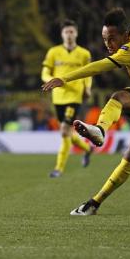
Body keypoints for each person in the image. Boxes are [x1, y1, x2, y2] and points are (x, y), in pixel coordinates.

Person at [42, 8, 130, 215]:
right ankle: (100, 130)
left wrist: (65, 78)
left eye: (112, 38)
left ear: (126, 34)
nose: (108, 44)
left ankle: (95, 203)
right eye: (105, 39)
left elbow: (100, 66)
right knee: (117, 98)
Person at [41, 19, 93, 177]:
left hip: (74, 96)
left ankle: (58, 169)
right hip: (58, 98)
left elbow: (88, 72)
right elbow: (45, 72)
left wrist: (87, 87)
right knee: (68, 132)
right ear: (62, 34)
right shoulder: (53, 52)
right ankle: (87, 149)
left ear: (76, 33)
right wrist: (49, 80)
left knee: (64, 131)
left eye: (71, 31)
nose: (69, 34)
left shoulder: (84, 54)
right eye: (66, 32)